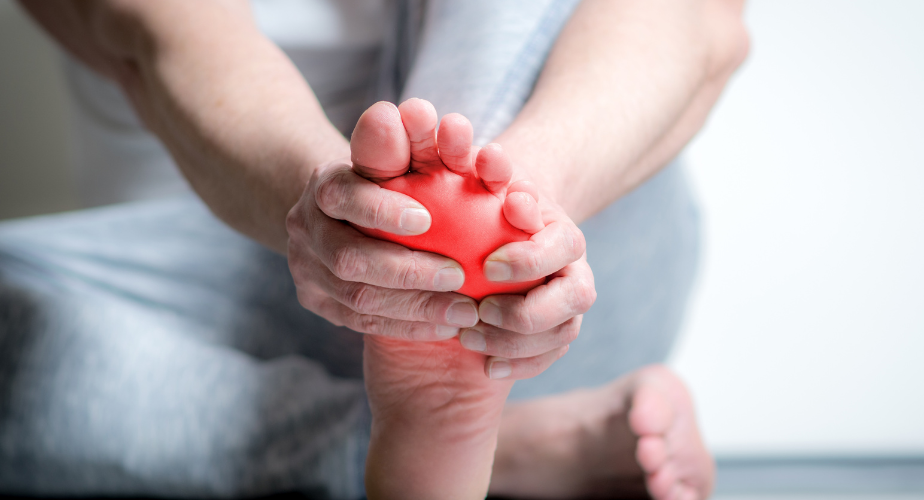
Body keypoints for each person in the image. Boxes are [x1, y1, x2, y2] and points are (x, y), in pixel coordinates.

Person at [0, 0, 747, 498]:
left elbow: (700, 26)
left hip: (562, 277)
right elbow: (160, 37)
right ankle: (500, 442)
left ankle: (470, 273)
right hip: (198, 326)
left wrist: (522, 208)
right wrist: (323, 206)